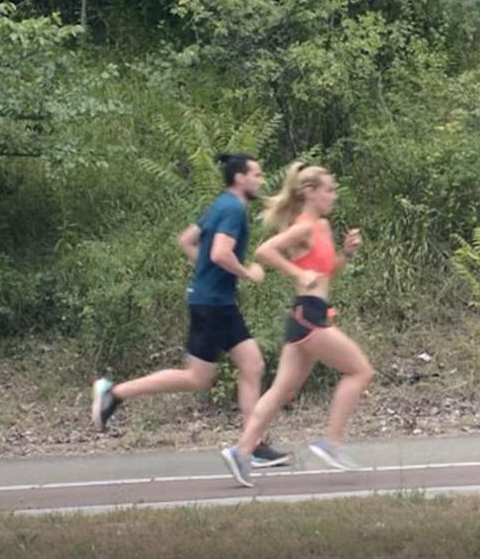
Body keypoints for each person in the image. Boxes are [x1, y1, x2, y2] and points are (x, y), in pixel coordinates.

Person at [91, 153, 291, 468]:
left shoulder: (221, 204)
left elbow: (186, 241)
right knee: (198, 377)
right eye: (256, 174)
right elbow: (221, 252)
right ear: (240, 178)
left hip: (216, 302)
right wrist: (247, 273)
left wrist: (206, 276)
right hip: (212, 305)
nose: (260, 180)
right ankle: (114, 392)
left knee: (252, 365)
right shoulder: (234, 208)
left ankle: (252, 445)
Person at [221, 161, 374, 487]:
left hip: (311, 313)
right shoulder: (303, 226)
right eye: (328, 190)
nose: (333, 196)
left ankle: (242, 451)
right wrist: (297, 273)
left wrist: (346, 255)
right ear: (310, 193)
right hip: (309, 316)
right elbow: (265, 251)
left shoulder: (324, 228)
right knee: (360, 371)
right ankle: (332, 442)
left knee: (282, 389)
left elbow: (327, 272)